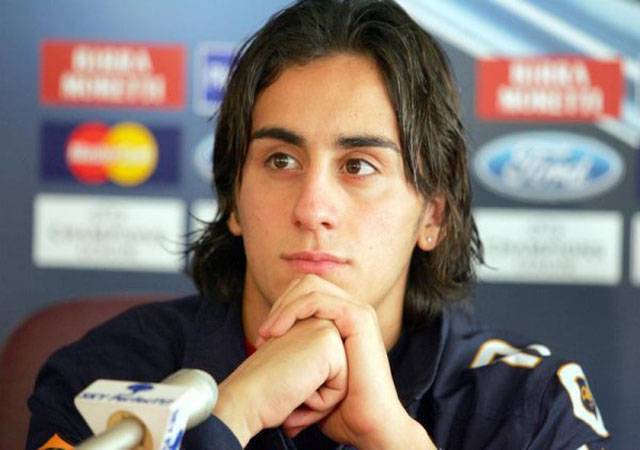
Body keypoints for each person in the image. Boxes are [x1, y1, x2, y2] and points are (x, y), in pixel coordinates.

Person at [28, 1, 610, 449]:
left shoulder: (527, 403)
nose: (312, 207)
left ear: (432, 214)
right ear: (233, 199)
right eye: (281, 161)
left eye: (358, 166)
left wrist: (392, 437)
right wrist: (233, 414)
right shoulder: (107, 378)